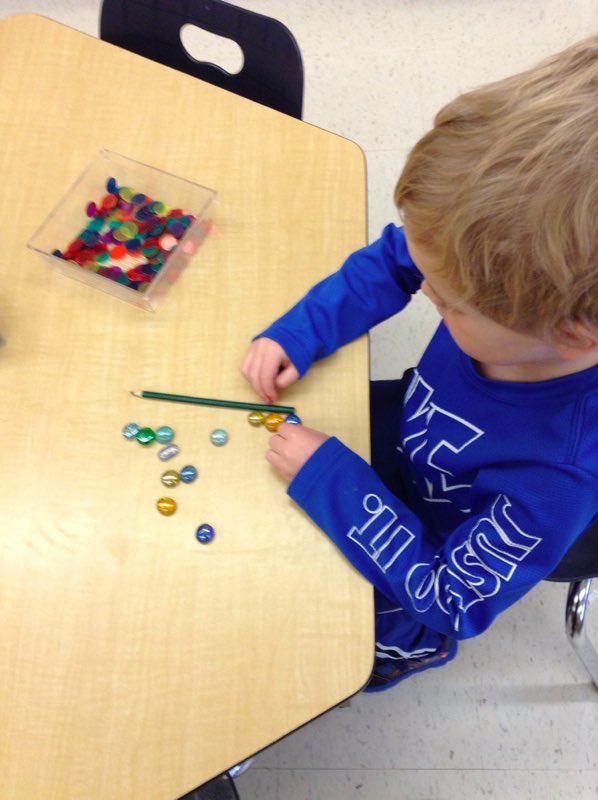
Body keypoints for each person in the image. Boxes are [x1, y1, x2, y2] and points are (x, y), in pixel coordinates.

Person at [240, 37, 598, 692]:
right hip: (410, 440)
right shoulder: (503, 269)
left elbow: (450, 598)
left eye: (448, 304)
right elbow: (398, 258)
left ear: (572, 333)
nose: (424, 292)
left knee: (342, 642)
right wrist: (304, 331)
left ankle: (394, 659)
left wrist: (333, 480)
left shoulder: (559, 474)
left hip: (419, 570)